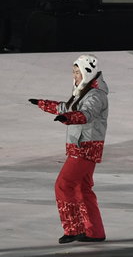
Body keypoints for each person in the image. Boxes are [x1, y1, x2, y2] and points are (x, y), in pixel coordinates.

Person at [28, 55, 108, 243]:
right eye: (73, 71)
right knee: (83, 188)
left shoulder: (96, 95)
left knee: (63, 185)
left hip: (85, 148)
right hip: (82, 146)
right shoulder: (83, 91)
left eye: (77, 71)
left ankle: (73, 229)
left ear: (88, 72)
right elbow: (67, 107)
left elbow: (86, 114)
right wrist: (43, 104)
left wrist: (69, 118)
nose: (74, 75)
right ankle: (94, 232)